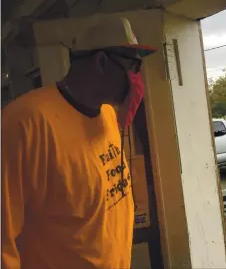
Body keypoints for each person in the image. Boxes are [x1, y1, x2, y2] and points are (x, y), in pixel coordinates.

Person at [2, 17, 157, 269]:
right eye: (132, 66)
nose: (136, 78)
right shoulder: (23, 125)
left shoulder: (107, 115)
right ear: (102, 62)